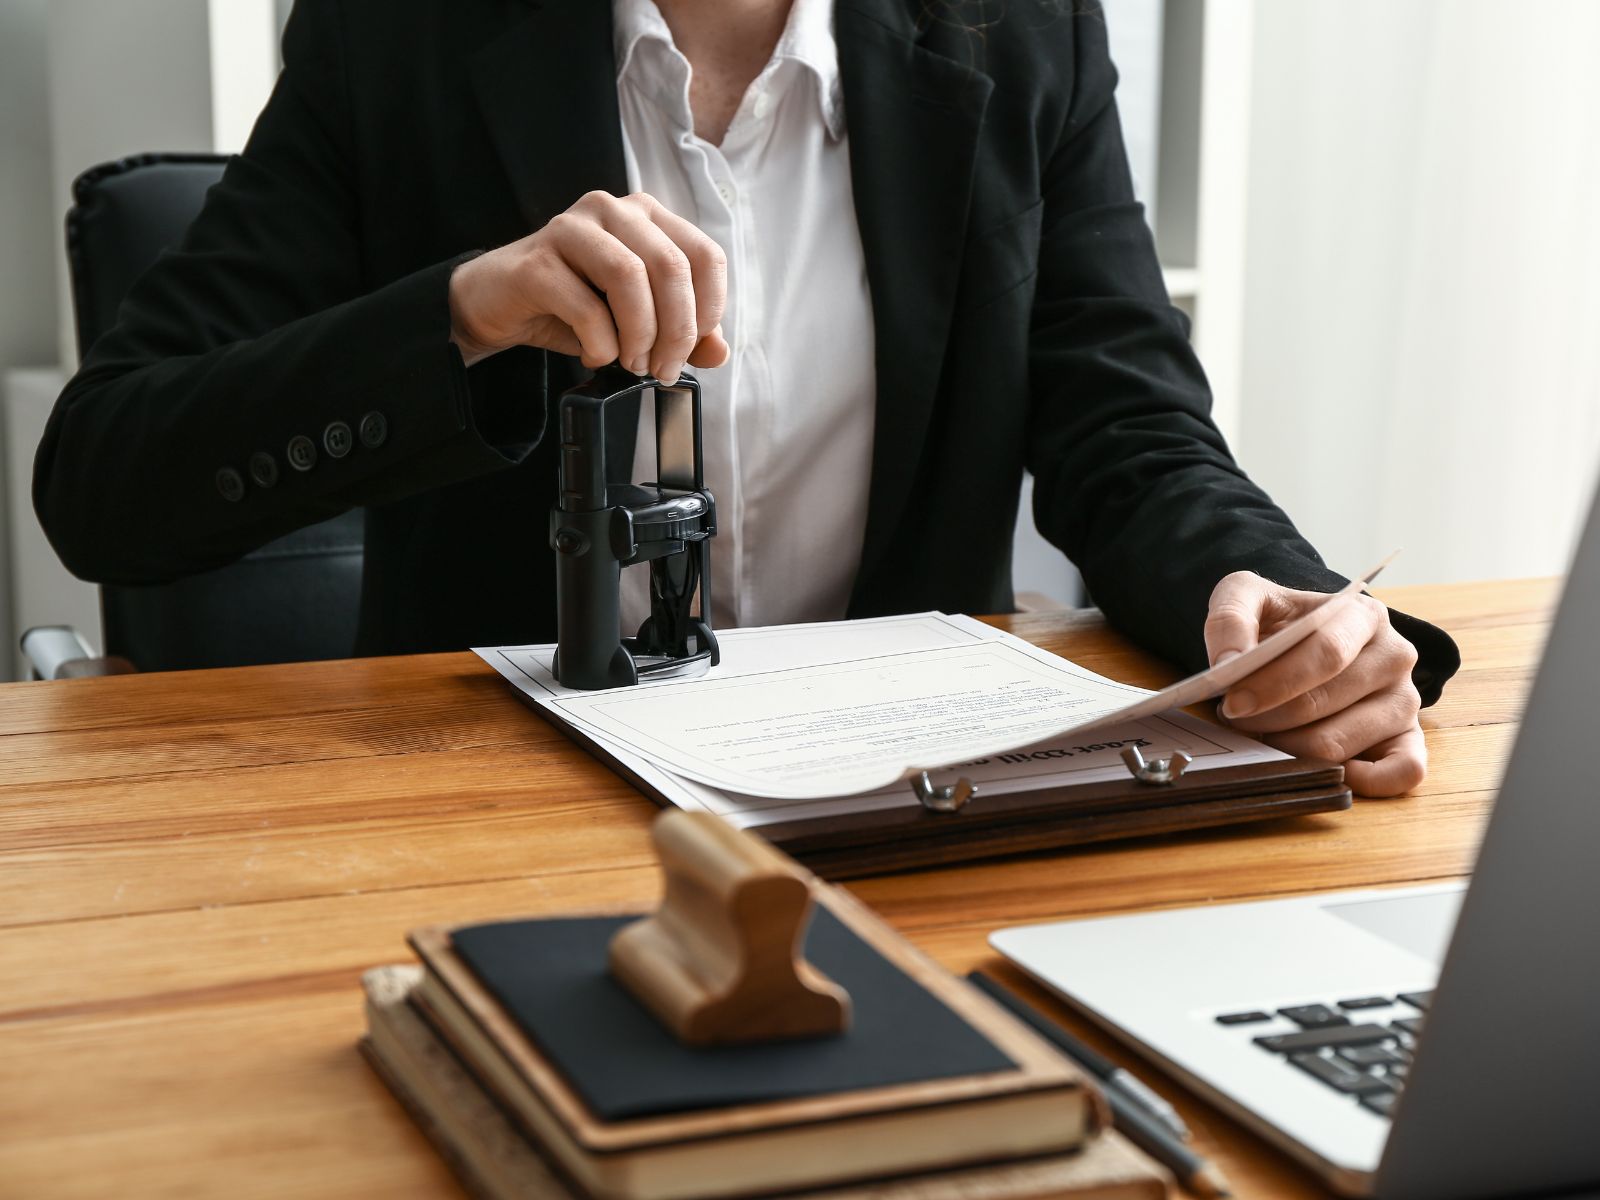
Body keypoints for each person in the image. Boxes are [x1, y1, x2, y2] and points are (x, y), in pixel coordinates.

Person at [34, 0, 1457, 795]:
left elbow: (1126, 421)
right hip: (504, 811)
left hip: (916, 801)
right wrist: (460, 314)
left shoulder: (1023, 29)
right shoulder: (396, 31)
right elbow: (106, 478)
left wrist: (1257, 591)